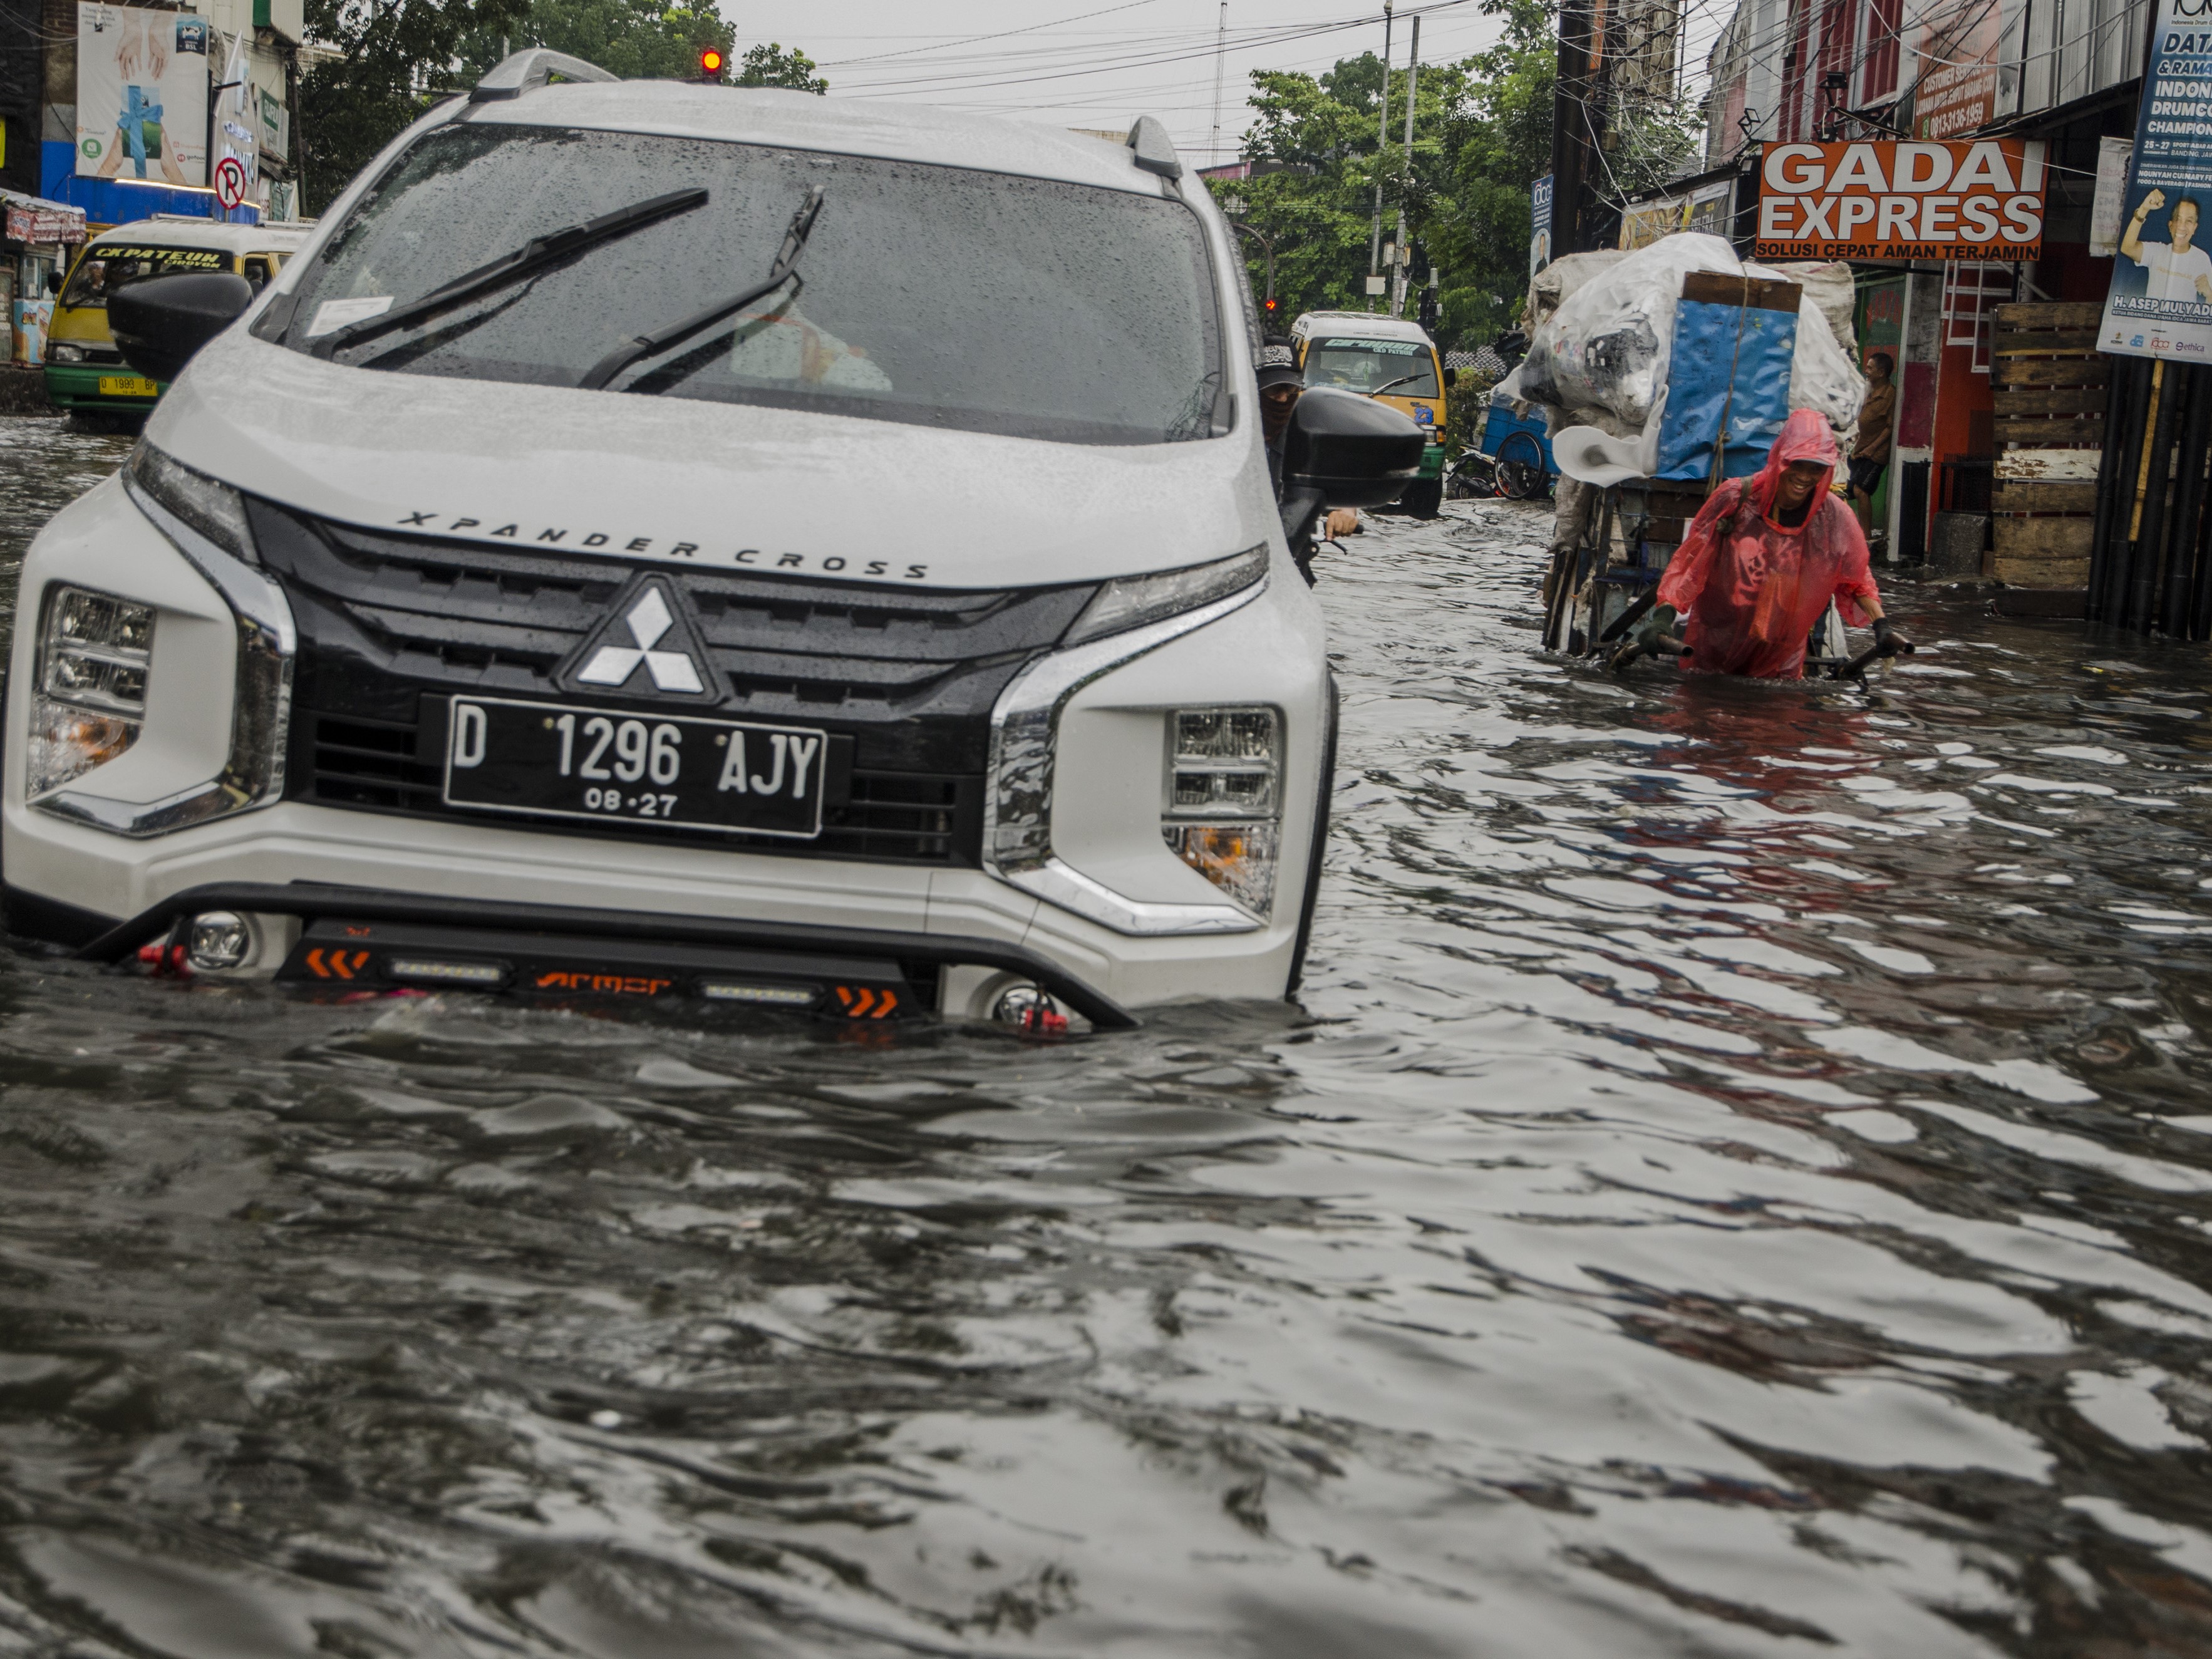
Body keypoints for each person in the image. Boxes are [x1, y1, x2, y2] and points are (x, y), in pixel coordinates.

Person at [1624, 408, 1907, 679]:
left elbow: (1857, 578)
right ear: (1781, 458)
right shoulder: (1736, 498)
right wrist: (1663, 617)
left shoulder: (1833, 517)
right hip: (1716, 643)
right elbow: (1690, 562)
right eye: (1798, 465)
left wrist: (1881, 624)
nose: (1805, 477)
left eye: (1817, 469)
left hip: (1781, 654)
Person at [1258, 341, 1358, 539]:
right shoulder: (1224, 432)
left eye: (1291, 389)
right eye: (1275, 389)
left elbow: (1337, 475)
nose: (1283, 398)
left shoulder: (1304, 434)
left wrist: (1346, 513)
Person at [2119, 189, 2212, 304]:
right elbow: (2127, 248)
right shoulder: (2157, 251)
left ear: (2195, 228)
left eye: (2189, 221)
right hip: (2149, 322)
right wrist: (2144, 208)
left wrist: (2209, 293)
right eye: (2178, 219)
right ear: (2170, 226)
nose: (2182, 227)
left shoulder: (2202, 258)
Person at [1849, 351, 1895, 536]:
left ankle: (1865, 536)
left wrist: (1872, 448)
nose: (1866, 371)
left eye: (1870, 368)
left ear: (1881, 373)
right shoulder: (1867, 390)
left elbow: (1890, 427)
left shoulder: (1889, 395)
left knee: (1861, 490)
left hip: (1876, 453)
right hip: (1859, 449)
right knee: (1845, 488)